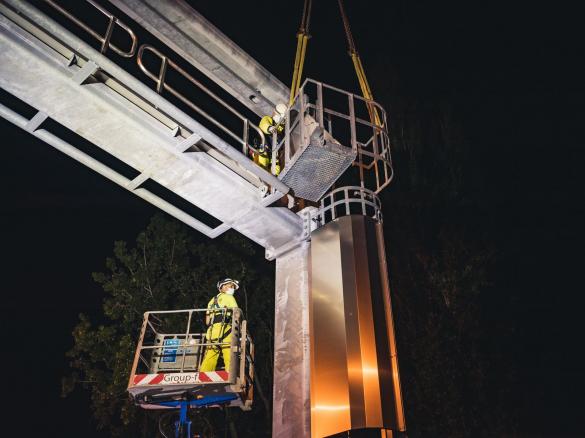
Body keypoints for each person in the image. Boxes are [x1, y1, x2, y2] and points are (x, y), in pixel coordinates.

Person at [199, 278, 239, 372]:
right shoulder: (229, 297)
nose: (232, 288)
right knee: (229, 353)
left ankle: (203, 377)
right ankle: (230, 376)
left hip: (212, 331)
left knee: (210, 356)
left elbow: (207, 321)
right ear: (223, 287)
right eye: (231, 285)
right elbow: (236, 314)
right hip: (226, 329)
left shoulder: (211, 301)